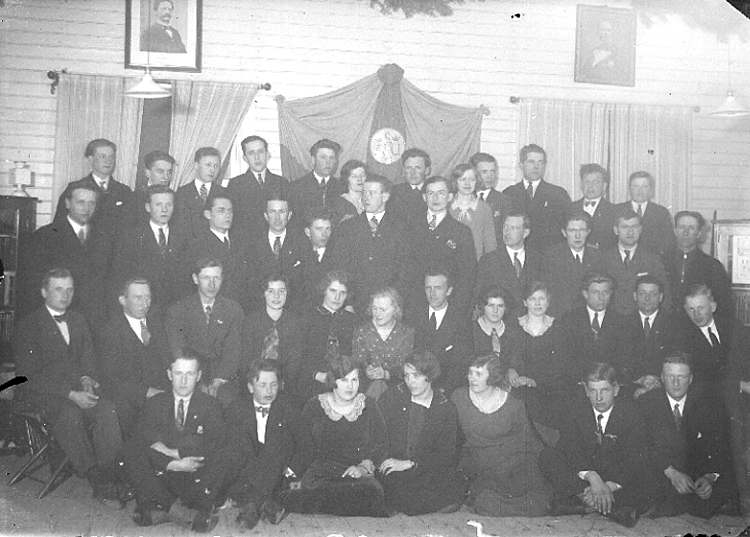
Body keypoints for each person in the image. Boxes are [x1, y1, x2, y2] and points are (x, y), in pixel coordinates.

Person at [14, 268, 124, 506]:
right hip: (40, 393)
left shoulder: (78, 319)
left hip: (77, 389)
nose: (65, 295)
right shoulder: (28, 325)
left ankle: (109, 472)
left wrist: (87, 379)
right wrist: (71, 394)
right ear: (44, 292)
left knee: (107, 409)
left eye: (70, 290)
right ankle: (97, 479)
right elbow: (28, 375)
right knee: (69, 414)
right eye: (58, 289)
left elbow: (88, 357)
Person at [125, 349, 238, 532]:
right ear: (169, 374)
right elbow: (145, 440)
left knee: (227, 451)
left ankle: (164, 510)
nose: (183, 381)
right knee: (132, 449)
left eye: (189, 374)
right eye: (178, 373)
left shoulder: (210, 404)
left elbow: (216, 442)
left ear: (198, 376)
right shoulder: (155, 403)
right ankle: (181, 511)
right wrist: (172, 464)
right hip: (164, 474)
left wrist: (176, 453)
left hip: (195, 473)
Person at [539, 363, 652, 528]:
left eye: (604, 390)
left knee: (649, 475)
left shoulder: (632, 413)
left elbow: (635, 458)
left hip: (615, 476)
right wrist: (593, 478)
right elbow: (571, 449)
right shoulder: (575, 410)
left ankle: (584, 502)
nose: (599, 398)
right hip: (586, 475)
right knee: (548, 456)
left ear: (616, 390)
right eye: (593, 391)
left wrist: (608, 486)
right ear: (586, 390)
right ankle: (610, 508)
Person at [286, 354, 391, 517]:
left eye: (354, 380)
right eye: (344, 380)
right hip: (320, 471)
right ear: (332, 381)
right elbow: (302, 445)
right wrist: (291, 473)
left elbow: (381, 444)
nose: (350, 386)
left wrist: (362, 468)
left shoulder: (368, 405)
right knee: (304, 486)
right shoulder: (314, 405)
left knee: (372, 490)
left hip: (355, 472)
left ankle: (321, 503)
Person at [639, 352, 738, 519]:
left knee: (730, 477)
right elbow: (641, 446)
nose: (676, 383)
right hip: (663, 471)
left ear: (691, 379)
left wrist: (709, 477)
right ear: (662, 378)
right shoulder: (646, 403)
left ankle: (678, 503)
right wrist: (671, 472)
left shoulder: (708, 405)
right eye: (670, 376)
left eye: (682, 377)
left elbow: (720, 446)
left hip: (694, 476)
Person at [452, 354, 551, 517]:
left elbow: (529, 440)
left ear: (493, 376)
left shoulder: (514, 405)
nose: (472, 378)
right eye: (470, 373)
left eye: (478, 374)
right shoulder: (459, 398)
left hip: (516, 464)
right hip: (484, 465)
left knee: (538, 502)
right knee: (487, 503)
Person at [378, 352, 466, 515]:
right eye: (406, 376)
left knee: (453, 486)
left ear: (429, 376)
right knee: (395, 487)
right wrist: (393, 461)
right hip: (394, 466)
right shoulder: (392, 397)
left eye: (416, 376)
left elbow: (446, 454)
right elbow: (378, 435)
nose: (410, 381)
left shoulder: (445, 407)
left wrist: (412, 464)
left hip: (424, 467)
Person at [21, 180, 111, 328]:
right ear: (68, 203)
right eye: (81, 202)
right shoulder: (45, 236)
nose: (87, 208)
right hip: (59, 319)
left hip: (94, 322)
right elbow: (34, 286)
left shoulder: (105, 238)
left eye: (91, 203)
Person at [224, 360, 294, 530]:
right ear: (250, 387)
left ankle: (251, 506)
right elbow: (228, 445)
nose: (269, 391)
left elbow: (306, 446)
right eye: (262, 385)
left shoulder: (288, 409)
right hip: (246, 471)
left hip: (277, 471)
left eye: (273, 385)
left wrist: (292, 470)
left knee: (273, 454)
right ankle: (264, 504)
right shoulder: (236, 409)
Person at [98, 277, 170, 438]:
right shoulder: (110, 332)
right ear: (123, 300)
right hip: (132, 400)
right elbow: (110, 379)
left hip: (163, 392)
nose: (145, 304)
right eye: (138, 298)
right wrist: (146, 392)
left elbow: (168, 361)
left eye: (148, 297)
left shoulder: (158, 324)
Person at [330, 175, 413, 314]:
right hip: (356, 305)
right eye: (364, 193)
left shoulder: (401, 228)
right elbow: (340, 267)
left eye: (372, 193)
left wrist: (394, 299)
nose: (366, 198)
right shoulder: (347, 227)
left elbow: (406, 268)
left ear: (385, 196)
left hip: (389, 304)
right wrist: (347, 302)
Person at [166, 258, 244, 402]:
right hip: (190, 377)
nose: (212, 284)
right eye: (206, 278)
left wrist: (218, 381)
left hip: (223, 380)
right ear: (195, 279)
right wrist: (198, 382)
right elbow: (178, 349)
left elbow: (233, 351)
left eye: (216, 278)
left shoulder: (233, 310)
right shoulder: (178, 310)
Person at [112, 185, 188, 310]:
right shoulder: (132, 237)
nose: (164, 209)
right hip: (144, 307)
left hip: (176, 306)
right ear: (148, 207)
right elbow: (121, 275)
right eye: (158, 204)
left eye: (169, 205)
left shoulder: (184, 236)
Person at [409, 175, 477, 317]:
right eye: (431, 193)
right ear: (424, 197)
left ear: (450, 196)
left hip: (448, 305)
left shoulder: (461, 232)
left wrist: (458, 307)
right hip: (414, 303)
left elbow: (467, 275)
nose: (435, 198)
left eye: (441, 193)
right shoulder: (410, 226)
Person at [513, 282, 573, 429]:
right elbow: (513, 358)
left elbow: (561, 364)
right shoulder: (515, 327)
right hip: (523, 387)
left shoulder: (558, 327)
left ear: (548, 301)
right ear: (525, 302)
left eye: (541, 298)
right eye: (532, 299)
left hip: (552, 386)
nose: (537, 303)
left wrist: (535, 381)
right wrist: (512, 371)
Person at [239, 274, 305, 404]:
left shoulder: (295, 324)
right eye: (271, 291)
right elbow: (245, 359)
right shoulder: (251, 322)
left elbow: (295, 363)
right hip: (254, 383)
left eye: (281, 291)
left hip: (284, 385)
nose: (276, 296)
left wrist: (279, 384)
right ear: (264, 294)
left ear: (287, 293)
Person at [560, 272, 633, 385]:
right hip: (578, 383)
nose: (601, 297)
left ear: (611, 294)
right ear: (585, 294)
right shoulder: (570, 320)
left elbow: (624, 360)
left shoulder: (621, 322)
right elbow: (565, 358)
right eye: (595, 292)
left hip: (609, 384)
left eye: (605, 292)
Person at [183, 192, 252, 312]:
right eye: (221, 211)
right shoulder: (197, 245)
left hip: (242, 308)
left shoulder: (242, 242)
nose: (228, 215)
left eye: (230, 211)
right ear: (208, 214)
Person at [54, 138, 136, 238]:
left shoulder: (124, 191)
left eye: (111, 157)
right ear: (91, 159)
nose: (108, 161)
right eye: (103, 156)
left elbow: (131, 227)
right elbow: (59, 225)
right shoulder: (75, 189)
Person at [409, 269, 472, 395]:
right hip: (413, 385)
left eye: (438, 288)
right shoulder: (412, 316)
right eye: (428, 288)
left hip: (445, 389)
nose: (432, 294)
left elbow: (461, 363)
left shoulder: (461, 322)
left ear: (449, 290)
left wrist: (443, 389)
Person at [298, 271, 356, 402]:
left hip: (344, 383)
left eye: (342, 293)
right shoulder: (307, 318)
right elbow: (298, 356)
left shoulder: (350, 320)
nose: (337, 297)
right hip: (311, 381)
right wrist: (317, 375)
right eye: (333, 291)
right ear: (324, 290)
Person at [663, 210, 733, 318]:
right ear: (675, 230)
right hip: (666, 323)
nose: (686, 232)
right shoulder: (661, 261)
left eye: (691, 228)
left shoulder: (712, 266)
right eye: (681, 227)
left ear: (699, 233)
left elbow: (723, 305)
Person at [502, 144, 571, 252]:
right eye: (531, 162)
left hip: (549, 255)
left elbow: (568, 228)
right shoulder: (509, 193)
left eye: (540, 162)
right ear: (521, 165)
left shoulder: (558, 194)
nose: (536, 167)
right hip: (518, 255)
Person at [247, 195, 309, 312]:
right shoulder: (252, 244)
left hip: (293, 311)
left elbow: (306, 282)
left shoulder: (302, 243)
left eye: (281, 212)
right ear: (266, 215)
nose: (277, 217)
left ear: (289, 215)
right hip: (259, 310)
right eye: (272, 212)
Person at [602, 207, 669, 316]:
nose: (630, 232)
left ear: (640, 229)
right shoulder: (603, 259)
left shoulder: (652, 260)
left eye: (634, 226)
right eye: (625, 227)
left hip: (641, 320)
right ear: (616, 230)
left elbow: (664, 296)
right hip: (611, 319)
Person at [352, 287, 415, 400]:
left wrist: (386, 374)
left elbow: (407, 365)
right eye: (375, 308)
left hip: (398, 386)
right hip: (367, 387)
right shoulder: (361, 331)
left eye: (383, 309)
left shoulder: (406, 332)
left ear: (395, 310)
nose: (378, 314)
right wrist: (366, 370)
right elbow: (356, 362)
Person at [476, 213, 541, 319]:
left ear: (525, 232)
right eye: (505, 227)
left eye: (513, 228)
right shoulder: (489, 260)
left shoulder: (537, 259)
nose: (507, 232)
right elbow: (480, 297)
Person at [226, 135, 290, 239]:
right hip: (247, 242)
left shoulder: (281, 182)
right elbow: (233, 221)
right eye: (251, 153)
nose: (257, 157)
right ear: (245, 158)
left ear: (267, 154)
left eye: (260, 152)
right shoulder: (235, 184)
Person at [541, 212, 604, 317]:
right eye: (572, 230)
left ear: (588, 232)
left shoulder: (596, 256)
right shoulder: (552, 256)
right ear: (564, 232)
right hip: (561, 316)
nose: (577, 236)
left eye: (582, 230)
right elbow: (547, 292)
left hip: (588, 316)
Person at [626, 275, 677, 399]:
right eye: (642, 293)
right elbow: (620, 361)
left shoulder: (674, 324)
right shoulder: (623, 324)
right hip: (631, 387)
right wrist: (641, 379)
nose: (647, 298)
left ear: (661, 297)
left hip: (664, 388)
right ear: (634, 296)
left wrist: (655, 383)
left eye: (652, 294)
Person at [615, 171, 674, 258]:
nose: (640, 190)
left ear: (651, 189)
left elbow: (668, 243)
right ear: (629, 189)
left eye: (645, 186)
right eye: (636, 186)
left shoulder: (661, 212)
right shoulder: (617, 210)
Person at [472, 286, 523, 381]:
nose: (495, 311)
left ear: (506, 308)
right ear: (483, 306)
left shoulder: (513, 332)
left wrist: (512, 369)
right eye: (491, 305)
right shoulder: (470, 331)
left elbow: (517, 360)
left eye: (500, 306)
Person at [173, 147, 227, 238]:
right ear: (196, 166)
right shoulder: (182, 193)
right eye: (208, 165)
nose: (212, 170)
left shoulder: (224, 193)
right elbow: (179, 227)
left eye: (216, 166)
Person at [290, 139, 342, 229]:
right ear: (313, 160)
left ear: (335, 162)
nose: (328, 162)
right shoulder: (296, 187)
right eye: (323, 157)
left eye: (331, 158)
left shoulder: (341, 188)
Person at [448, 163, 497, 259]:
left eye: (471, 179)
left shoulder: (484, 208)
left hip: (476, 262)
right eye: (463, 179)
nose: (467, 183)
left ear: (476, 181)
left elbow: (490, 242)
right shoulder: (448, 206)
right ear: (455, 181)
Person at [296, 207, 335, 313]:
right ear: (308, 232)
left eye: (328, 229)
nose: (324, 234)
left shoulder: (339, 257)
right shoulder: (297, 256)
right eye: (319, 229)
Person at [469, 152, 513, 245]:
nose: (490, 177)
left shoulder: (503, 201)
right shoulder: (464, 198)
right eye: (484, 172)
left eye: (492, 171)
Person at [570, 164, 617, 251]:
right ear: (581, 185)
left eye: (595, 182)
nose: (590, 186)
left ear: (604, 186)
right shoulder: (570, 208)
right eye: (587, 182)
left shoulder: (614, 211)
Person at [386, 147, 430, 225]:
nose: (413, 172)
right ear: (403, 171)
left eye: (417, 168)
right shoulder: (395, 192)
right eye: (408, 168)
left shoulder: (432, 191)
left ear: (427, 170)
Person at [330, 159, 366, 224]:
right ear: (346, 179)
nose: (359, 179)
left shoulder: (370, 200)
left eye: (362, 175)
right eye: (354, 177)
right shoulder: (339, 203)